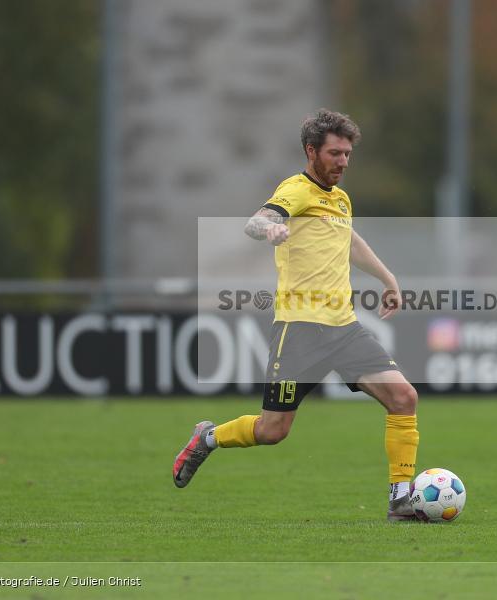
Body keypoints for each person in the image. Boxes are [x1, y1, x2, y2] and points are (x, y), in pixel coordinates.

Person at [172, 109, 421, 522]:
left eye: (347, 154)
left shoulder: (339, 199)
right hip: (300, 330)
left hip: (344, 329)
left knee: (404, 397)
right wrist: (271, 229)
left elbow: (349, 240)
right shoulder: (296, 189)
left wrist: (387, 277)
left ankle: (400, 499)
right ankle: (208, 438)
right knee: (273, 431)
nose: (343, 162)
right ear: (311, 151)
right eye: (335, 153)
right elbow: (258, 221)